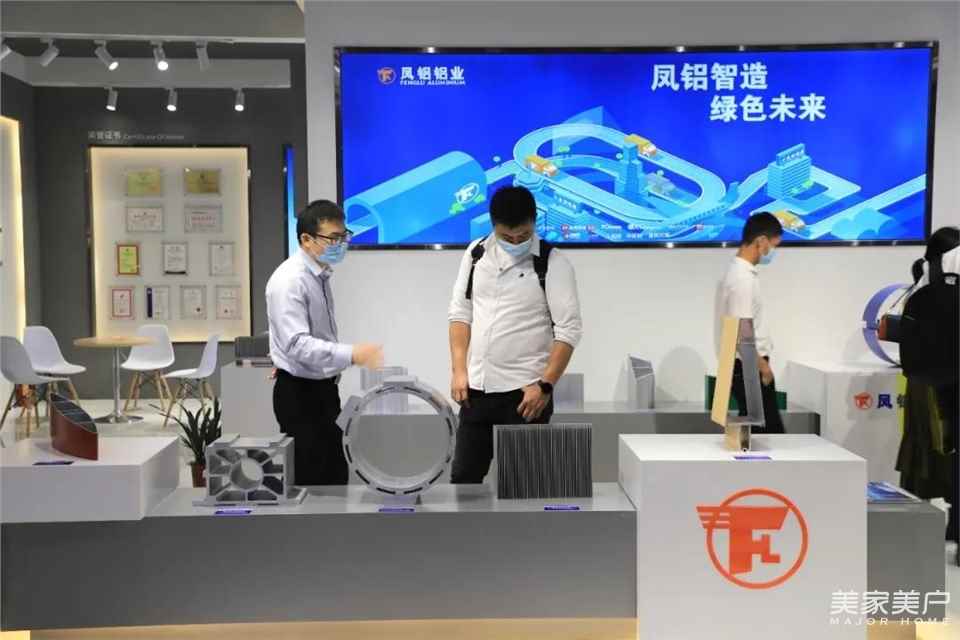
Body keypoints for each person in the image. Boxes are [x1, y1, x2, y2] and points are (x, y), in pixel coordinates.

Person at [447, 185, 583, 483]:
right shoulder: (475, 254)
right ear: (493, 225)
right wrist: (459, 371)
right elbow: (460, 314)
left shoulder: (553, 263)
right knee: (464, 480)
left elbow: (569, 330)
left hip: (526, 395)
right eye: (507, 237)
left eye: (523, 236)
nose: (515, 242)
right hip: (476, 391)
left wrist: (545, 386)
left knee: (522, 486)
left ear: (534, 222)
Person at [266, 200, 383, 486]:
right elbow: (297, 344)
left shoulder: (318, 275)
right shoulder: (290, 281)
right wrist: (351, 354)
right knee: (313, 481)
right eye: (333, 238)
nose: (340, 244)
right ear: (306, 239)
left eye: (344, 236)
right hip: (300, 395)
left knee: (334, 474)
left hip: (322, 390)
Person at [715, 212, 785, 433]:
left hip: (745, 365)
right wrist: (763, 367)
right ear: (761, 241)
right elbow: (741, 331)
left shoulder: (738, 273)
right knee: (768, 436)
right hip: (749, 367)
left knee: (759, 435)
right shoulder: (742, 279)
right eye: (773, 246)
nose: (772, 252)